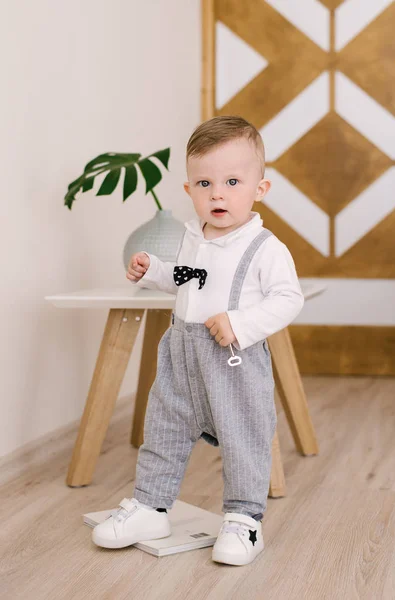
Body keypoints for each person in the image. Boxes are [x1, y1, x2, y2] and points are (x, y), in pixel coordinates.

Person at [92, 115, 304, 566]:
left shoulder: (265, 247)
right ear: (189, 191)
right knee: (163, 429)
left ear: (259, 189)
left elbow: (288, 299)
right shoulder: (194, 237)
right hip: (180, 354)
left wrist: (243, 324)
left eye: (231, 181)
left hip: (233, 361)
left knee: (244, 435)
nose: (218, 194)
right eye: (204, 183)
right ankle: (151, 504)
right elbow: (187, 283)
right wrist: (154, 271)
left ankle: (244, 520)